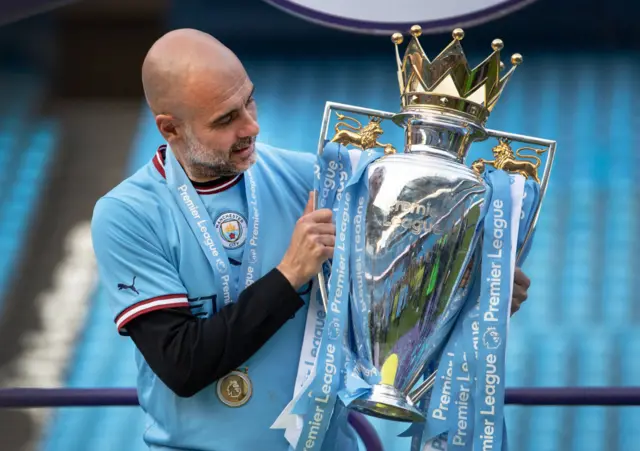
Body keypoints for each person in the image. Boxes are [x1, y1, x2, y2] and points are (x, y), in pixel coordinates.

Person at [90, 28, 532, 451]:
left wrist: (475, 290)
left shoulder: (317, 180)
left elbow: (388, 297)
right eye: (226, 119)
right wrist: (290, 275)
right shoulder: (128, 214)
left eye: (250, 102)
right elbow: (182, 364)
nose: (251, 127)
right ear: (170, 129)